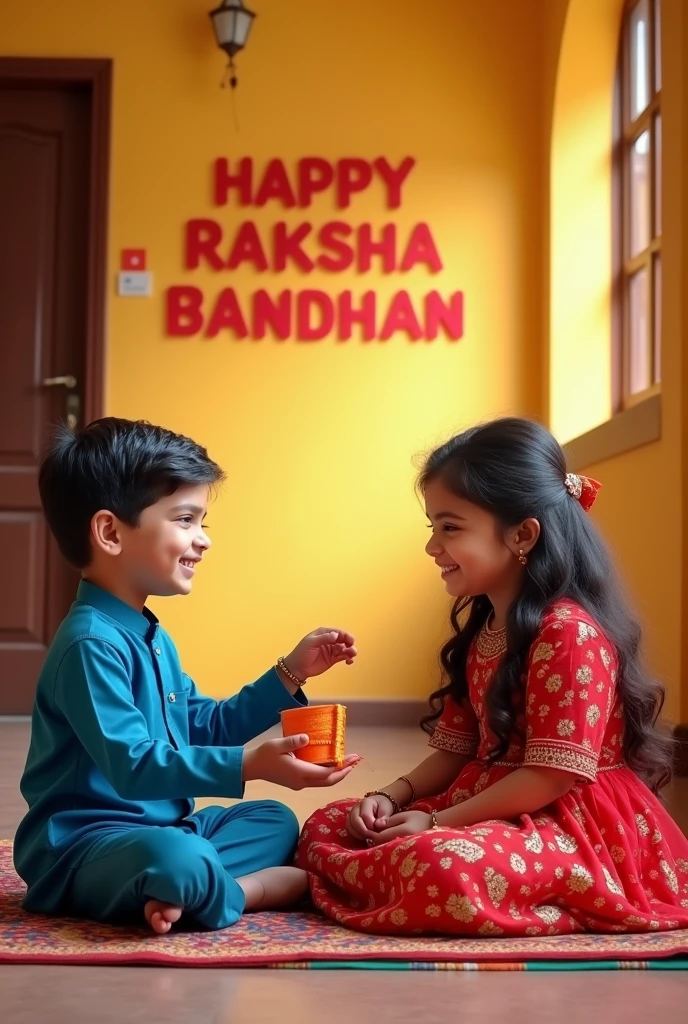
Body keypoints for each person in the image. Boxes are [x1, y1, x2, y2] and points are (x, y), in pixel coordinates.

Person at [296, 417, 688, 936]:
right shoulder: (485, 630)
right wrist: (389, 797)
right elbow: (459, 749)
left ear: (522, 535)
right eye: (432, 528)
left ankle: (536, 895)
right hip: (485, 803)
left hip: (569, 821)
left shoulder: (568, 634)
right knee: (330, 824)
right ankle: (382, 872)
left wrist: (435, 823)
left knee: (444, 865)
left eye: (450, 528)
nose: (433, 548)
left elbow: (551, 775)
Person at [13, 417, 360, 933]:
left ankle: (175, 890)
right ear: (111, 532)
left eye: (203, 523)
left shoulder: (150, 635)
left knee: (274, 820)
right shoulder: (89, 645)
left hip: (165, 829)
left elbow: (205, 726)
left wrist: (289, 673)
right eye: (185, 520)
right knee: (177, 856)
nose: (203, 541)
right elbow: (133, 766)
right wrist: (247, 764)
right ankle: (243, 891)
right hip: (82, 847)